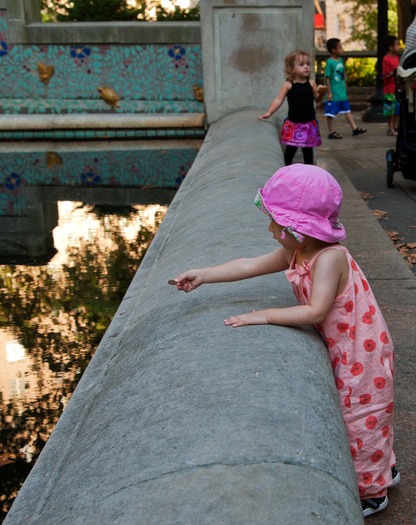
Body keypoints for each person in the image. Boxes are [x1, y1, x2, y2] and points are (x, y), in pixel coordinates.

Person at [171, 164, 399, 518]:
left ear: (300, 230)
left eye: (275, 223)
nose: (270, 228)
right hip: (345, 344)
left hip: (360, 351)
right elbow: (248, 264)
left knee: (358, 416)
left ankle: (373, 491)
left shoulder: (329, 258)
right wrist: (205, 275)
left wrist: (265, 315)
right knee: (361, 415)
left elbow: (316, 310)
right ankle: (385, 467)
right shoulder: (299, 251)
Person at [258, 50, 327, 166]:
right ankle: (286, 170)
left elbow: (317, 99)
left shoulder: (311, 83)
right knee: (290, 150)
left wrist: (321, 94)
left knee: (308, 151)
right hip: (294, 124)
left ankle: (309, 173)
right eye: (301, 65)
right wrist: (269, 112)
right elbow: (278, 99)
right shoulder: (288, 84)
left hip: (308, 123)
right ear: (291, 69)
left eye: (308, 64)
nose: (306, 67)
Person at [324, 38, 367, 139]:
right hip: (334, 93)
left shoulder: (341, 60)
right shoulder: (329, 62)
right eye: (339, 47)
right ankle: (331, 132)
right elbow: (327, 78)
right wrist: (329, 92)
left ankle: (354, 128)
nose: (342, 49)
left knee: (347, 110)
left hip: (342, 92)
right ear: (333, 50)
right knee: (330, 113)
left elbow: (342, 75)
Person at [383, 35, 401, 136]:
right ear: (390, 47)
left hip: (397, 87)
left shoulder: (398, 58)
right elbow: (386, 75)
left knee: (397, 109)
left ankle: (395, 126)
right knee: (390, 110)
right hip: (389, 89)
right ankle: (390, 127)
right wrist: (395, 71)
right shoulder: (386, 59)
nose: (399, 47)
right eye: (397, 45)